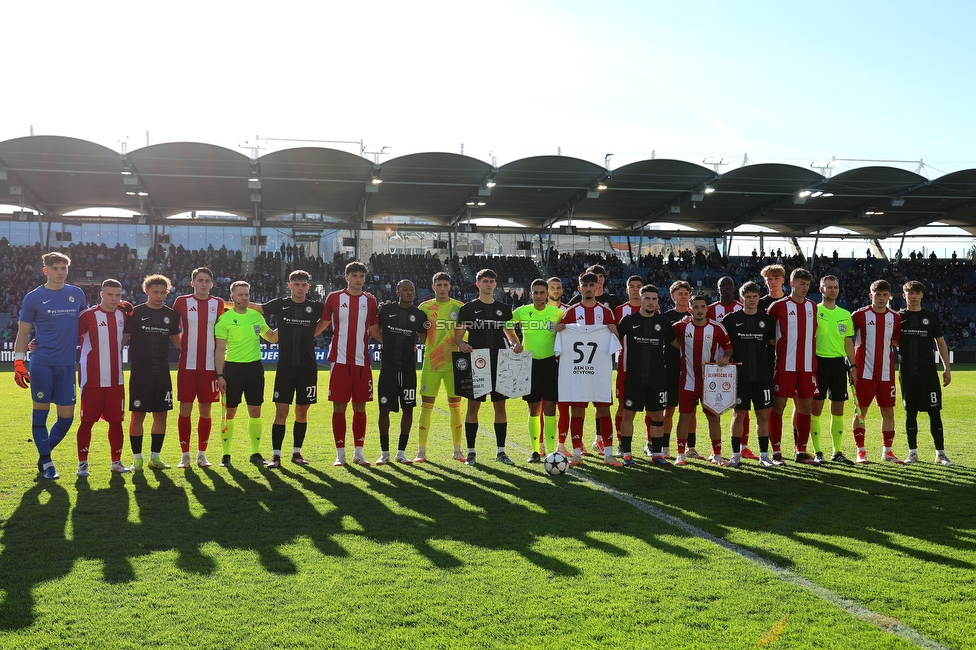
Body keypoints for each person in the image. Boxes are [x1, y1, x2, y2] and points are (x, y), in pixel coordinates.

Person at [14, 252, 88, 480]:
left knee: (66, 419)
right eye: (56, 268)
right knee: (41, 414)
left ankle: (43, 454)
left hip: (67, 364)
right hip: (42, 363)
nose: (60, 272)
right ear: (46, 270)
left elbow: (88, 322)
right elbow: (24, 332)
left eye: (64, 268)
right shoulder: (33, 297)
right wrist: (18, 361)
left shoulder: (76, 294)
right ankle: (47, 463)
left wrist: (115, 308)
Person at [246, 269, 323, 468]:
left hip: (307, 368)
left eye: (303, 284)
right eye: (296, 284)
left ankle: (297, 453)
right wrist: (222, 304)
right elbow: (255, 307)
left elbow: (329, 317)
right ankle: (276, 455)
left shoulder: (315, 307)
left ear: (308, 287)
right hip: (285, 368)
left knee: (302, 412)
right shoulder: (280, 304)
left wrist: (312, 332)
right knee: (281, 412)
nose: (300, 288)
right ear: (290, 286)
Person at [455, 268, 523, 466]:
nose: (488, 284)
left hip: (499, 361)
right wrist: (462, 344)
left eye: (492, 281)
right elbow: (458, 336)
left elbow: (510, 334)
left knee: (500, 405)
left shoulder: (503, 308)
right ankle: (471, 453)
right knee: (473, 406)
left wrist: (515, 344)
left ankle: (501, 451)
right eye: (485, 280)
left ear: (495, 284)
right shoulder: (468, 309)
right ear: (478, 284)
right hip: (476, 361)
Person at [213, 281, 278, 468]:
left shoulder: (256, 316)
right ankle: (226, 455)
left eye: (247, 294)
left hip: (254, 370)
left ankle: (255, 453)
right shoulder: (224, 320)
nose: (244, 298)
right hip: (232, 370)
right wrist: (220, 375)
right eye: (240, 295)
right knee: (229, 412)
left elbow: (271, 337)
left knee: (255, 411)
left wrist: (290, 323)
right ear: (232, 297)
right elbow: (219, 350)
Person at [558, 272, 620, 467]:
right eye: (584, 285)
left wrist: (614, 332)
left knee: (603, 410)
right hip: (577, 372)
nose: (588, 288)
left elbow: (616, 341)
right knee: (577, 411)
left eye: (591, 285)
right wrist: (559, 330)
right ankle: (576, 453)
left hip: (600, 371)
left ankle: (609, 454)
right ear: (579, 288)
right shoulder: (571, 313)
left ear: (597, 287)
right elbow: (561, 343)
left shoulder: (606, 313)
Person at [320, 261, 379, 467]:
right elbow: (323, 324)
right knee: (339, 407)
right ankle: (340, 453)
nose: (358, 279)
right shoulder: (334, 298)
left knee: (360, 407)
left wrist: (399, 343)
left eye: (361, 276)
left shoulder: (370, 301)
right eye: (354, 275)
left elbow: (374, 330)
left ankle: (359, 452)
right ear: (347, 277)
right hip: (340, 360)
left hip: (363, 362)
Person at [123, 275, 182, 471]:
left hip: (162, 371)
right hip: (140, 372)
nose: (159, 296)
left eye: (163, 292)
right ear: (146, 291)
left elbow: (179, 342)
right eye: (155, 292)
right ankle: (137, 458)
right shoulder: (135, 313)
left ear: (168, 292)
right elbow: (121, 340)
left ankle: (155, 457)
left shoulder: (171, 315)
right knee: (138, 415)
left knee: (161, 415)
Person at [76, 279, 132, 475]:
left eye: (118, 295)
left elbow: (125, 337)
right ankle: (82, 463)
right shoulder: (88, 316)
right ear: (102, 294)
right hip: (91, 379)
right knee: (87, 422)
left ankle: (116, 462)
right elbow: (66, 335)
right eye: (110, 295)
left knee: (117, 422)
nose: (114, 299)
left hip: (116, 380)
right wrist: (38, 342)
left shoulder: (123, 316)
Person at [616, 284, 676, 466]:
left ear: (658, 301)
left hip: (657, 378)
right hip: (634, 377)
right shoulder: (628, 321)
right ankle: (627, 454)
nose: (650, 302)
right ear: (640, 299)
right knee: (628, 415)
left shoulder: (664, 322)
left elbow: (677, 344)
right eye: (647, 298)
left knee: (658, 415)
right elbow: (612, 341)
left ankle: (657, 454)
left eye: (654, 299)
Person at [173, 267, 226, 469]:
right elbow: (173, 330)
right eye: (200, 280)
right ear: (192, 282)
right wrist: (184, 346)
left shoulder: (218, 304)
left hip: (209, 368)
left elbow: (220, 334)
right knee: (185, 409)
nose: (204, 284)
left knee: (206, 410)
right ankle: (184, 455)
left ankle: (201, 454)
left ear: (211, 284)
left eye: (207, 281)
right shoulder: (182, 302)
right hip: (187, 366)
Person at [671, 295, 733, 466]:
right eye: (696, 307)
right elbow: (667, 335)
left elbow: (728, 348)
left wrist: (726, 357)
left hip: (710, 383)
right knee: (685, 417)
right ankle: (681, 454)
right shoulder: (681, 326)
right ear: (689, 309)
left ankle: (717, 454)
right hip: (688, 381)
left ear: (707, 309)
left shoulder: (717, 328)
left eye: (702, 307)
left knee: (714, 418)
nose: (699, 310)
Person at [898, 280, 953, 466]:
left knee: (934, 413)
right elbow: (891, 340)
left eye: (916, 293)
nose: (913, 296)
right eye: (909, 293)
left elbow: (941, 343)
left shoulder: (931, 317)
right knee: (910, 413)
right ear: (904, 295)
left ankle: (941, 454)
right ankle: (912, 453)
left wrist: (947, 368)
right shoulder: (898, 317)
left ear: (922, 295)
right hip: (907, 373)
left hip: (928, 374)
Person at [767, 268, 818, 465]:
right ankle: (777, 451)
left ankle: (801, 451)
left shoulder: (812, 307)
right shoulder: (777, 307)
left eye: (806, 284)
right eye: (800, 283)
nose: (804, 287)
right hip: (784, 366)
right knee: (778, 407)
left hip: (807, 366)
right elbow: (768, 335)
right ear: (791, 284)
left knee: (806, 408)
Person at [372, 279, 427, 465]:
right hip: (388, 368)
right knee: (384, 409)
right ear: (397, 292)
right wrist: (386, 341)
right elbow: (375, 330)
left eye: (412, 289)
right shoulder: (386, 310)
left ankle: (401, 452)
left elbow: (425, 338)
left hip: (408, 369)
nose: (409, 292)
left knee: (408, 408)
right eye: (405, 290)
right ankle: (384, 452)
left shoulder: (418, 315)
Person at [721, 282, 775, 467]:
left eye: (755, 296)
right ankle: (735, 454)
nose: (752, 300)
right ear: (741, 298)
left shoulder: (766, 320)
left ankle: (764, 455)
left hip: (762, 375)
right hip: (740, 376)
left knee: (763, 415)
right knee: (739, 414)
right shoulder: (730, 319)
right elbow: (718, 337)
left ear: (759, 298)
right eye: (748, 297)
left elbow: (775, 342)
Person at [851, 280, 902, 464]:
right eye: (877, 294)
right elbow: (848, 342)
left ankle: (887, 452)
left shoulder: (895, 318)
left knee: (888, 413)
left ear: (889, 296)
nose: (881, 298)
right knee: (860, 412)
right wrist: (851, 366)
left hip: (886, 374)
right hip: (864, 373)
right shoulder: (859, 315)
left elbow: (896, 341)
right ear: (870, 295)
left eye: (885, 295)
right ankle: (861, 451)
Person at [512, 279, 562, 462]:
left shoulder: (557, 313)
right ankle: (535, 451)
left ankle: (551, 452)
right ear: (530, 293)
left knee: (550, 408)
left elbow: (565, 330)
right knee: (534, 409)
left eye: (542, 292)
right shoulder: (522, 311)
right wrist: (515, 342)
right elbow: (506, 324)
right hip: (530, 364)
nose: (539, 295)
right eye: (536, 292)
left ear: (547, 294)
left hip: (550, 364)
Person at [416, 272, 465, 462]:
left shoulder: (459, 307)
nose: (443, 288)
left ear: (450, 287)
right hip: (432, 365)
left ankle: (457, 451)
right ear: (433, 286)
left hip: (454, 365)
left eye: (446, 285)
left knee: (456, 408)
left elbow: (463, 333)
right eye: (439, 285)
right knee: (426, 407)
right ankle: (421, 451)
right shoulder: (425, 307)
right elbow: (422, 334)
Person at [810, 275, 857, 465]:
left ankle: (836, 451)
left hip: (839, 364)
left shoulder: (845, 314)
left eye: (835, 287)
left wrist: (853, 367)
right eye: (829, 287)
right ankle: (817, 451)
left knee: (838, 409)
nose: (833, 290)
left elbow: (848, 343)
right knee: (816, 409)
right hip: (818, 363)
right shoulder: (813, 311)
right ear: (821, 289)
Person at [658, 280, 693, 459]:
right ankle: (665, 447)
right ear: (672, 296)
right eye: (680, 294)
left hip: (691, 369)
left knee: (690, 410)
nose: (683, 296)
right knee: (669, 409)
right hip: (671, 367)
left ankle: (691, 447)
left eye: (686, 293)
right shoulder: (666, 317)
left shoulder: (697, 315)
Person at [613, 275, 645, 453]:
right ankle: (620, 442)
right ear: (626, 290)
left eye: (638, 286)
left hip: (648, 366)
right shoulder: (619, 311)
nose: (635, 289)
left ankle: (650, 443)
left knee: (651, 408)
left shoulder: (651, 308)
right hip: (625, 366)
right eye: (631, 286)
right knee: (622, 406)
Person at [547, 276, 572, 454]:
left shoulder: (570, 311)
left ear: (562, 290)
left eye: (558, 287)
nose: (555, 290)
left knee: (565, 406)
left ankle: (561, 444)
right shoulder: (538, 310)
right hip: (544, 363)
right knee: (542, 407)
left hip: (565, 365)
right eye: (552, 288)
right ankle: (541, 444)